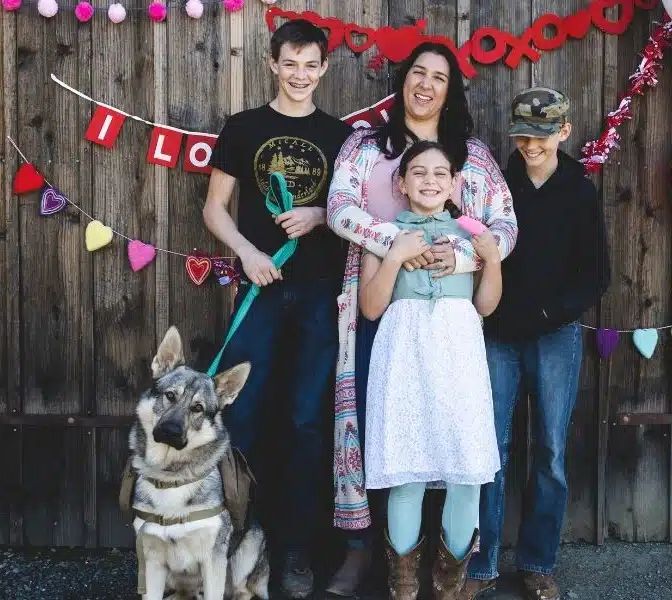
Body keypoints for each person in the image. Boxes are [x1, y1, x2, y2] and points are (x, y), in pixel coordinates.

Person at [324, 42, 518, 597]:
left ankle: (453, 575)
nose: (426, 84)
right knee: (384, 439)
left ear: (451, 89)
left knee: (458, 451)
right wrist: (399, 245)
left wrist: (462, 256)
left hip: (453, 310)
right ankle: (366, 558)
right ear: (402, 81)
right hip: (382, 303)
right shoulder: (367, 146)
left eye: (439, 76)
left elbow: (503, 227)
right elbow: (340, 208)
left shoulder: (472, 157)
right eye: (417, 73)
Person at [201, 18, 353, 599]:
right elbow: (216, 207)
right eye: (289, 63)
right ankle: (239, 543)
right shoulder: (244, 128)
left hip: (318, 294)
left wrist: (319, 216)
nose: (299, 74)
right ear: (272, 64)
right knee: (244, 415)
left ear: (323, 68)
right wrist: (246, 252)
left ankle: (297, 551)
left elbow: (349, 210)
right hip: (260, 291)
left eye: (310, 64)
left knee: (307, 421)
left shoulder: (341, 137)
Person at [463, 87, 611, 600]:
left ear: (564, 132)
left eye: (542, 136)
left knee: (548, 449)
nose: (531, 145)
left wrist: (551, 313)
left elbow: (595, 276)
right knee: (490, 450)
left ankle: (537, 561)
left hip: (555, 335)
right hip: (497, 333)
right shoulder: (494, 182)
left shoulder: (578, 189)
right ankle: (480, 565)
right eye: (523, 134)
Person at [359, 140, 502, 600]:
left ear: (456, 183)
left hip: (458, 353)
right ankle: (403, 588)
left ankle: (449, 586)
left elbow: (485, 304)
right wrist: (396, 255)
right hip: (403, 353)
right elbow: (371, 307)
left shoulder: (470, 237)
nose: (430, 181)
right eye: (418, 172)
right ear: (400, 184)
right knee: (407, 471)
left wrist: (491, 259)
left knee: (466, 472)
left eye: (441, 173)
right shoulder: (382, 234)